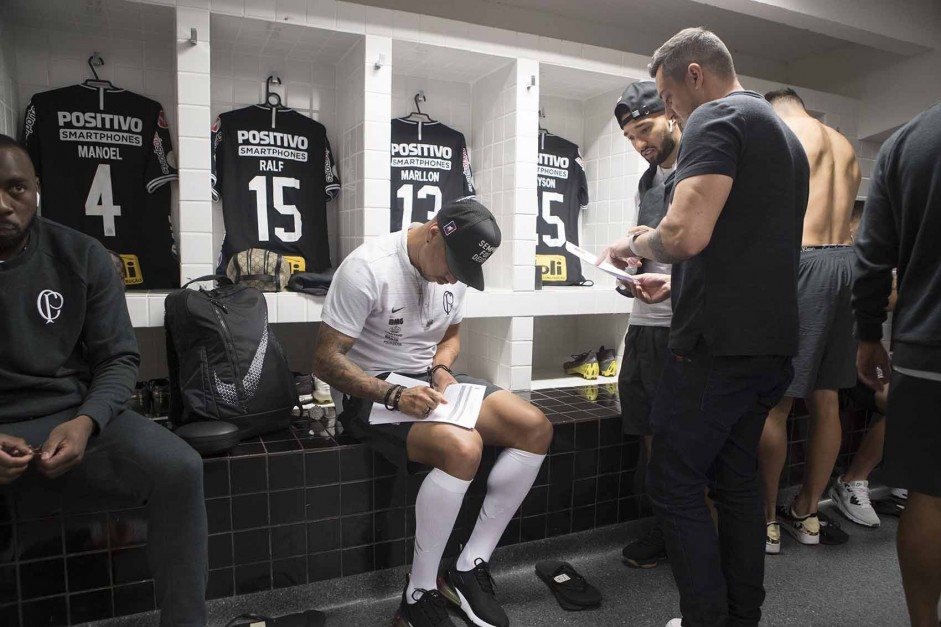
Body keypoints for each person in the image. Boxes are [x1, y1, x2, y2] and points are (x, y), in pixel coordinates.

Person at [599, 28, 808, 627]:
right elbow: (742, 243)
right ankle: (742, 616)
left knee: (672, 480)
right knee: (739, 484)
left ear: (695, 75)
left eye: (667, 96)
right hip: (768, 343)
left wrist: (636, 241)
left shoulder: (715, 118)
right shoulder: (782, 133)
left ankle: (703, 618)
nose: (667, 112)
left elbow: (684, 234)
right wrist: (679, 283)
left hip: (715, 347)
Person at [313, 198, 552, 627]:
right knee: (464, 447)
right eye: (452, 265)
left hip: (427, 384)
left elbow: (451, 334)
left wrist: (442, 368)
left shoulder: (452, 271)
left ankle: (467, 568)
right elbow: (327, 360)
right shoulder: (367, 268)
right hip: (370, 393)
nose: (452, 277)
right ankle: (418, 592)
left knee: (534, 427)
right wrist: (392, 395)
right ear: (432, 231)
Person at [0, 134, 207, 627]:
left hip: (72, 414)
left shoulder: (80, 255)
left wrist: (87, 421)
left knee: (180, 467)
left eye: (16, 189)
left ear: (36, 190)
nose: (3, 205)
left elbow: (118, 359)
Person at [758, 88, 861, 554]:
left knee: (775, 401)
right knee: (827, 399)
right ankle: (807, 510)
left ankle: (765, 522)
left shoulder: (784, 134)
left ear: (771, 108)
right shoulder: (843, 144)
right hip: (848, 262)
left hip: (805, 262)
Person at [852, 102, 941, 627]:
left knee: (929, 494)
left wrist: (868, 335)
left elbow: (872, 255)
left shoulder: (910, 140)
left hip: (927, 344)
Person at [612, 80, 682, 569]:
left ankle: (692, 539)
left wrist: (670, 280)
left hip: (681, 324)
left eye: (644, 130)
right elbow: (656, 247)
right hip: (644, 322)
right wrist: (631, 267)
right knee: (651, 432)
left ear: (671, 113)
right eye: (631, 138)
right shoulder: (649, 180)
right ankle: (668, 531)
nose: (640, 145)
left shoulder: (699, 171)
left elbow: (708, 252)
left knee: (681, 440)